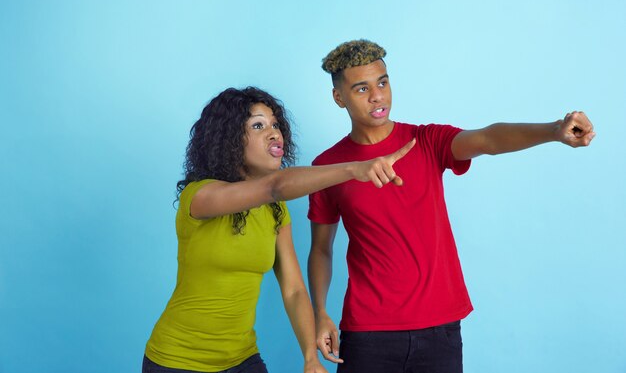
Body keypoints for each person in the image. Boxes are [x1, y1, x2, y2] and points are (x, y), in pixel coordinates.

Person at [307, 40, 595, 373]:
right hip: (368, 332)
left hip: (440, 330)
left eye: (383, 82)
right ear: (339, 97)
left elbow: (488, 139)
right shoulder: (328, 167)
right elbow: (321, 250)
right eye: (361, 88)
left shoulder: (427, 141)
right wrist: (320, 313)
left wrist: (554, 131)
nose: (378, 96)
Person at [143, 86, 416, 373]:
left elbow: (294, 290)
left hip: (242, 359)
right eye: (258, 125)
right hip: (177, 361)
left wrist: (310, 357)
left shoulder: (275, 211)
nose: (274, 133)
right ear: (229, 140)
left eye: (275, 124)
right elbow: (275, 187)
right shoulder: (199, 197)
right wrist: (353, 169)